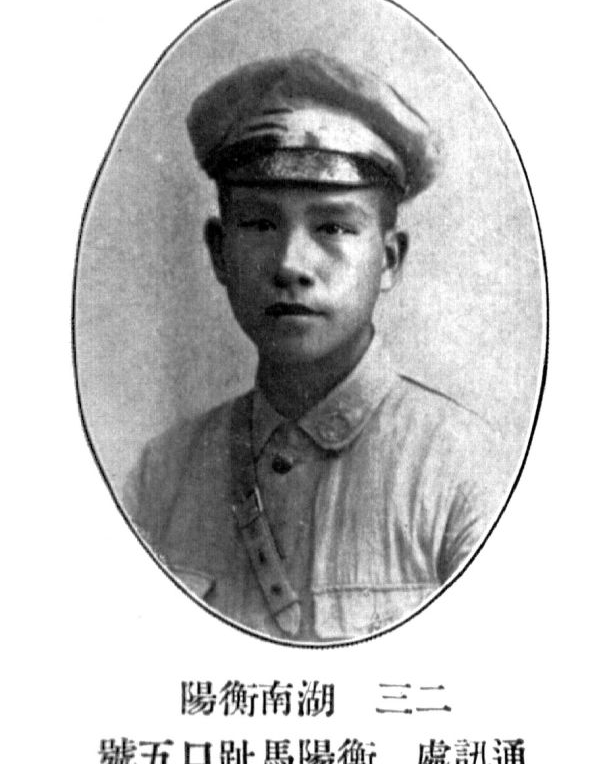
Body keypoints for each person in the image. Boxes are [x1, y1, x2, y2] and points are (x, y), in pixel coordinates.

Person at [126, 49, 506, 643]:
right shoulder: (161, 477)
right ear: (219, 251)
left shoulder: (467, 472)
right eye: (260, 224)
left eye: (332, 227)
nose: (290, 264)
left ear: (389, 258)